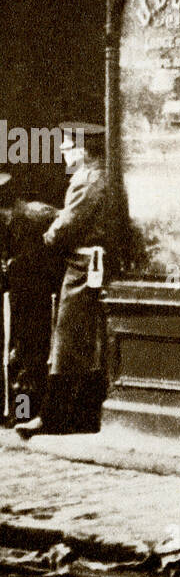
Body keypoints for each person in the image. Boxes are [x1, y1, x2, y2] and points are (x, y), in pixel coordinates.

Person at [16, 122, 108, 436]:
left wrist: (46, 237)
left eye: (68, 146)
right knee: (83, 343)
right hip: (87, 262)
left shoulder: (87, 178)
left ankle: (54, 417)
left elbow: (70, 224)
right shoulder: (95, 175)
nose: (62, 151)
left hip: (84, 267)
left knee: (68, 342)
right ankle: (77, 414)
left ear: (84, 150)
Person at [0, 173, 58, 425]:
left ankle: (23, 412)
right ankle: (17, 411)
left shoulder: (36, 215)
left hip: (33, 296)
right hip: (19, 295)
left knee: (27, 355)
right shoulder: (16, 218)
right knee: (20, 354)